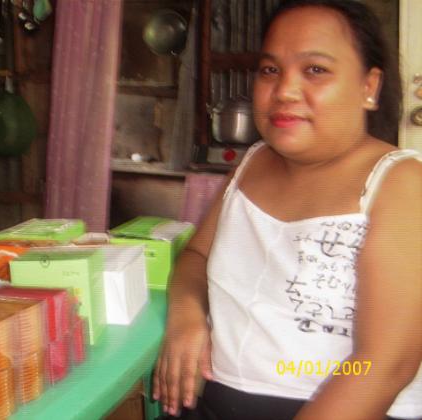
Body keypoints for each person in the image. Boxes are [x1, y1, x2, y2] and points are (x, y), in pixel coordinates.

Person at [152, 0, 422, 419]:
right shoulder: (252, 163)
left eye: (315, 69)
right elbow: (196, 256)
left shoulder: (400, 184)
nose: (284, 91)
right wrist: (187, 315)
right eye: (270, 70)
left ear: (369, 86)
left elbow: (384, 366)